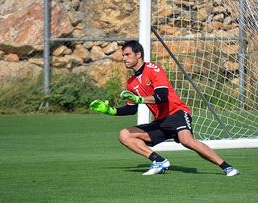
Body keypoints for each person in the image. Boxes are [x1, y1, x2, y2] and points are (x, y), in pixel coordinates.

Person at [89, 40, 239, 176]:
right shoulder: (131, 82)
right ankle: (159, 161)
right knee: (124, 134)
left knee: (187, 140)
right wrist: (110, 111)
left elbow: (162, 96)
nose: (124, 58)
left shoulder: (154, 70)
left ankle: (227, 167)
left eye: (127, 54)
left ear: (138, 54)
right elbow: (131, 108)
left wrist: (140, 99)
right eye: (123, 55)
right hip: (160, 121)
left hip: (176, 113)